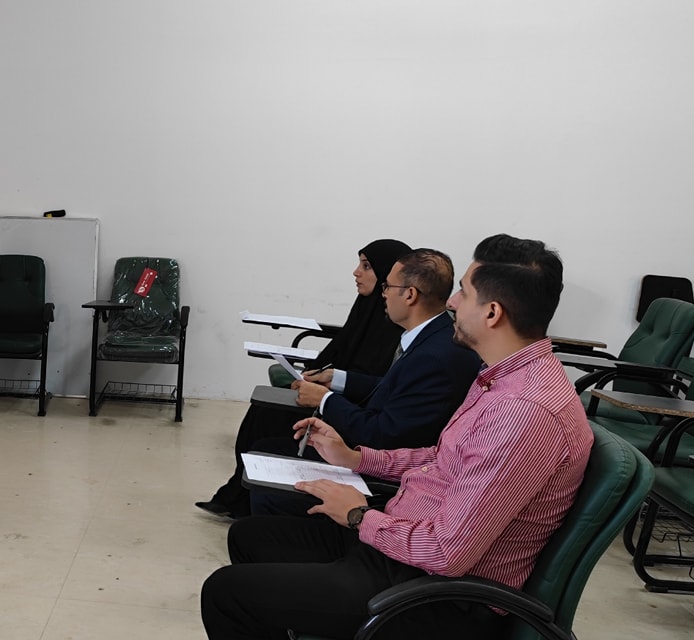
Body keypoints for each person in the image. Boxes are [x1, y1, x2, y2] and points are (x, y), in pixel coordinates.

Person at [201, 234, 593, 640]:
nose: (452, 302)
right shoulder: (504, 379)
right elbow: (443, 457)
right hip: (402, 544)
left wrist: (359, 516)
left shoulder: (524, 412)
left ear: (492, 312)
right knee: (249, 536)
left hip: (432, 593)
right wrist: (356, 458)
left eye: (463, 292)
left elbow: (447, 552)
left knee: (226, 593)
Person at [248, 248, 481, 516]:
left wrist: (324, 400)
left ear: (410, 295)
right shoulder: (433, 336)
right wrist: (337, 379)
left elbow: (383, 435)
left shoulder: (435, 356)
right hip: (374, 452)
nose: (384, 294)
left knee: (266, 458)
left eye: (387, 286)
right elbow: (395, 389)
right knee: (265, 444)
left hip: (381, 471)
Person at [197, 239, 410, 518]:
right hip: (337, 393)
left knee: (270, 416)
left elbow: (380, 384)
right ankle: (240, 490)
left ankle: (247, 497)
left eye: (367, 266)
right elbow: (338, 351)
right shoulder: (365, 308)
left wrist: (332, 385)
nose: (356, 272)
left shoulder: (398, 323)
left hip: (355, 409)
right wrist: (316, 373)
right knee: (263, 411)